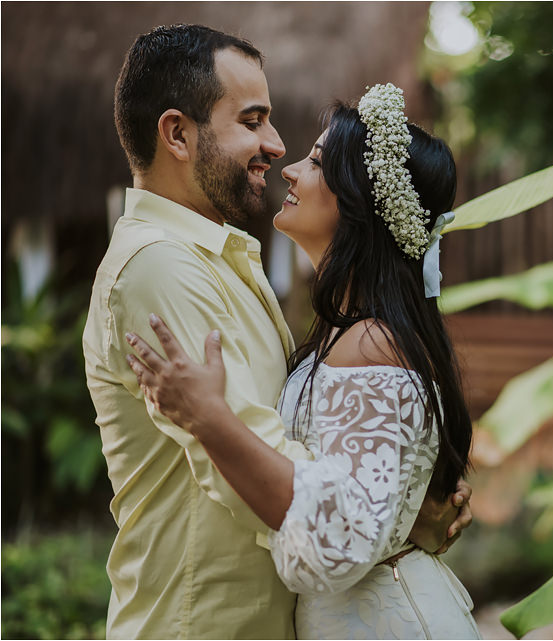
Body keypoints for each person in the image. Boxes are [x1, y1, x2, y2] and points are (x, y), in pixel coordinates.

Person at [82, 25, 470, 639]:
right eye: (252, 120)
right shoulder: (161, 266)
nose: (277, 145)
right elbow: (241, 456)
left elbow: (318, 446)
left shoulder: (230, 261)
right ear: (178, 134)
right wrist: (377, 524)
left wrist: (384, 511)